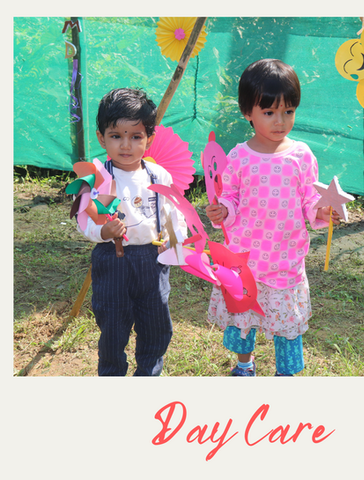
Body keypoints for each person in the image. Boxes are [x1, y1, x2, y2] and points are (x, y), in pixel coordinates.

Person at [205, 59, 341, 377]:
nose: (280, 121)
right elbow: (230, 197)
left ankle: (285, 374)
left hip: (285, 260)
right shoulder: (238, 156)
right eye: (269, 112)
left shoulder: (302, 155)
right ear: (247, 112)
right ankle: (244, 364)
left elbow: (310, 199)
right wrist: (223, 209)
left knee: (286, 324)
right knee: (243, 315)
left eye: (288, 111)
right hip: (245, 260)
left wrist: (322, 210)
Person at [77, 88, 186, 376]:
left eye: (136, 136)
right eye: (116, 136)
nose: (126, 145)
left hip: (153, 261)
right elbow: (84, 220)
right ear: (101, 138)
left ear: (149, 138)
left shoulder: (159, 175)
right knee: (113, 326)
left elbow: (173, 213)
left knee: (157, 325)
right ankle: (112, 375)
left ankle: (148, 374)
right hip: (112, 261)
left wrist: (174, 241)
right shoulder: (96, 178)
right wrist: (103, 231)